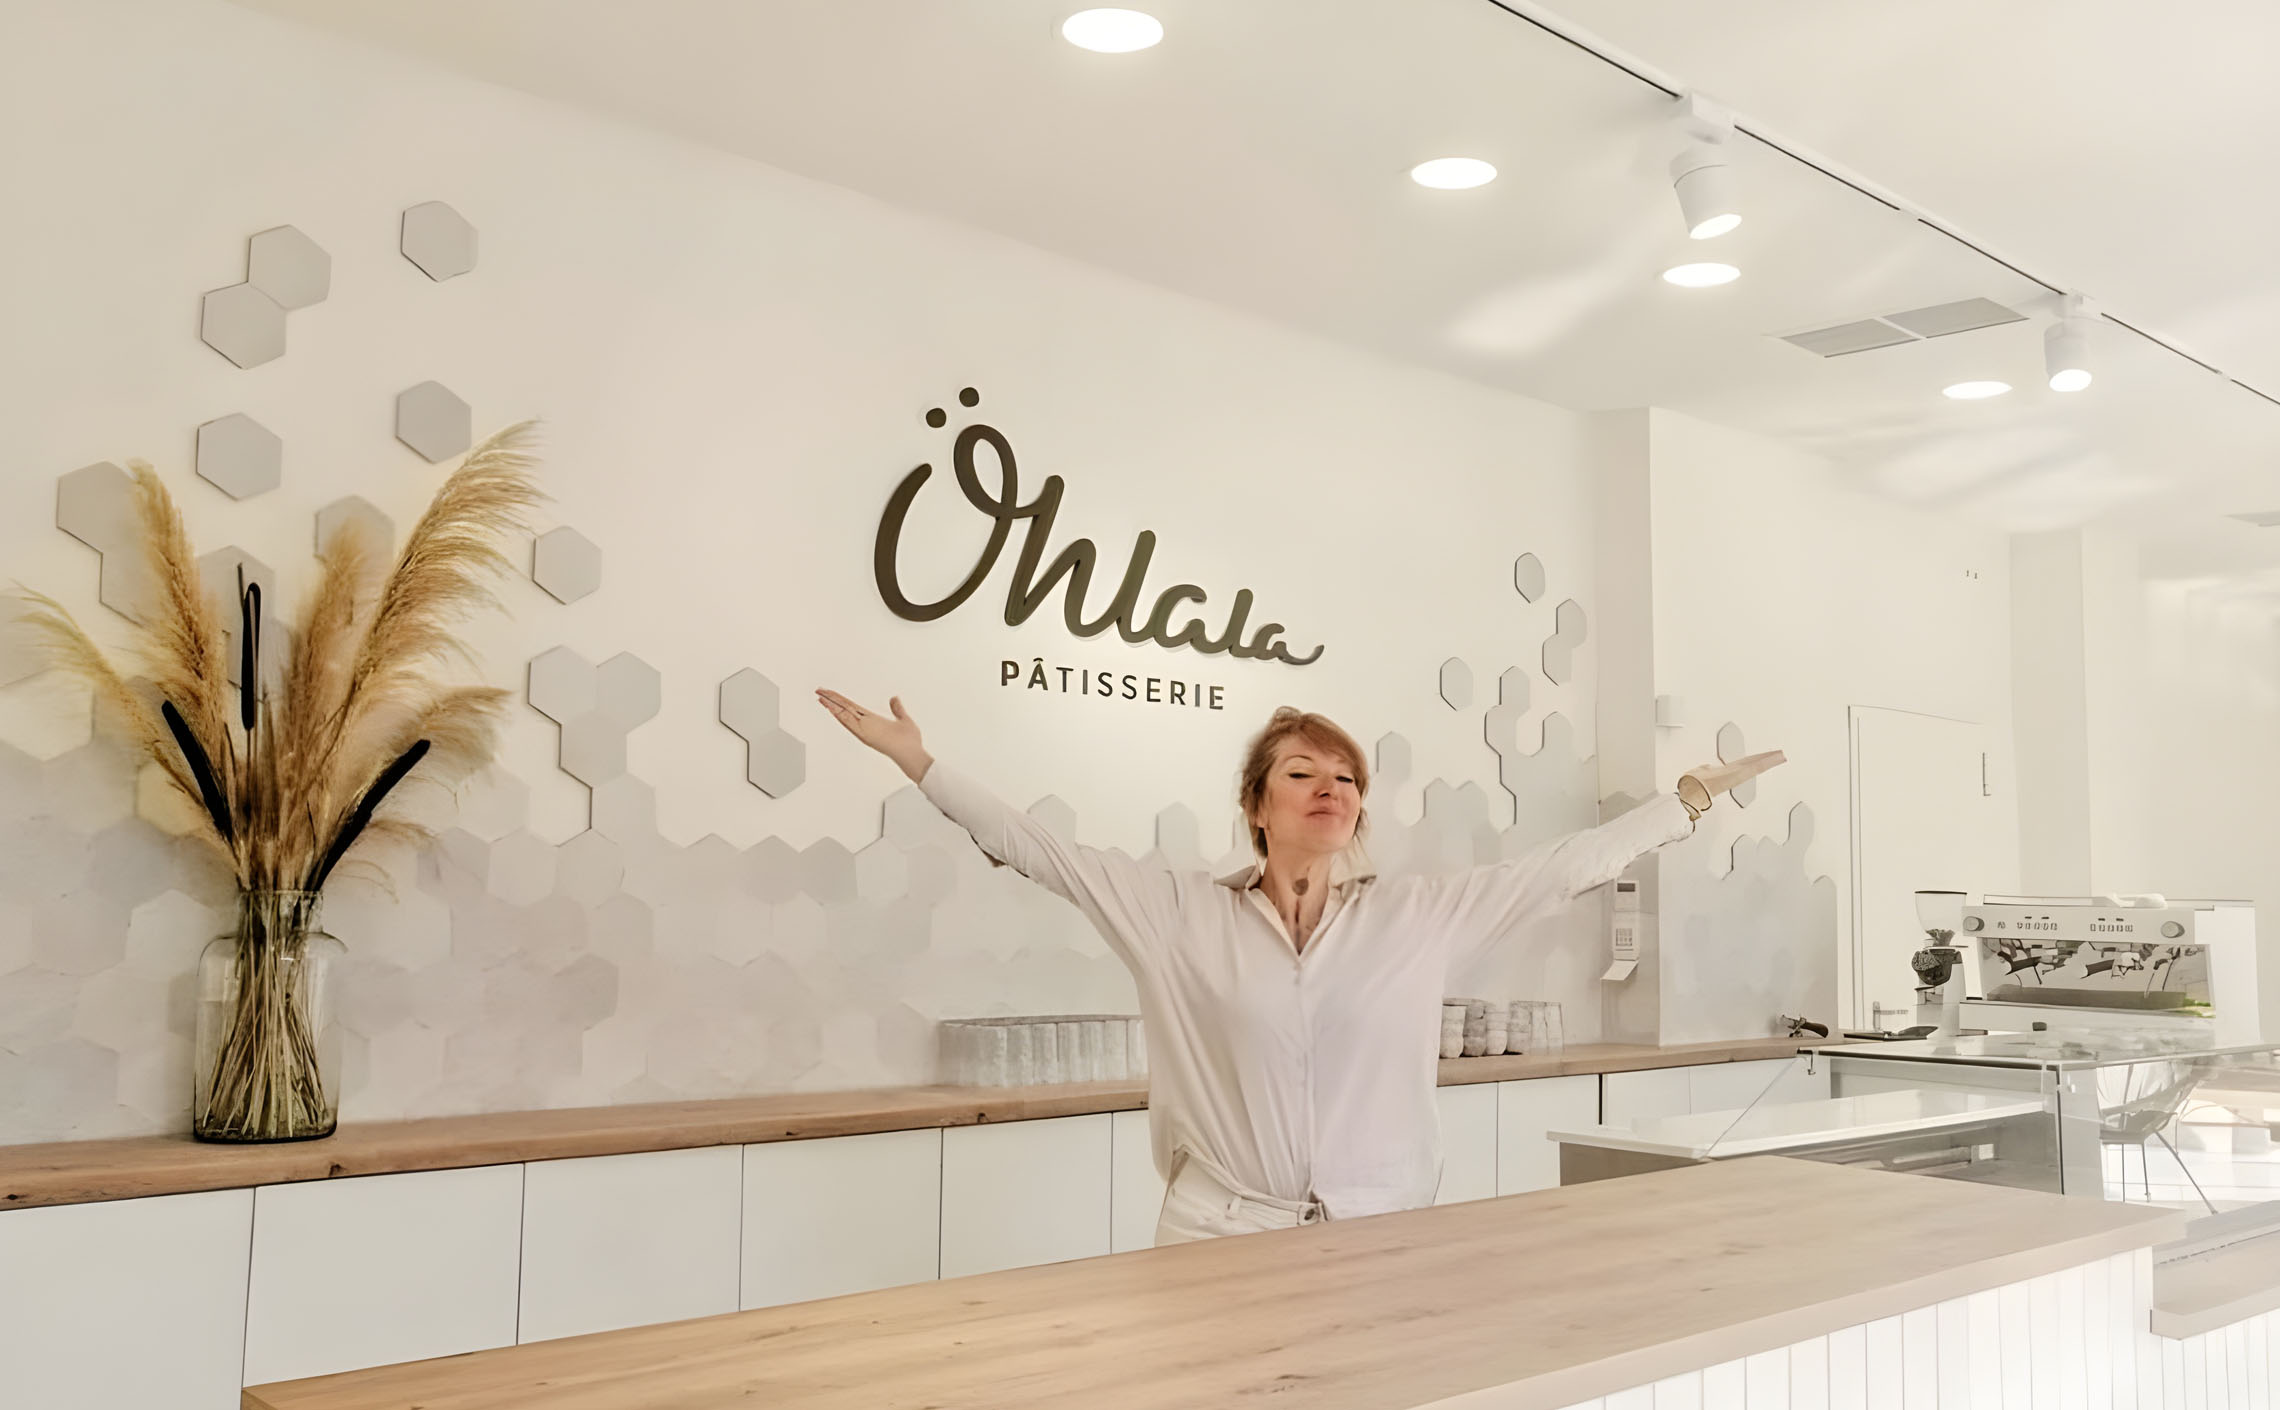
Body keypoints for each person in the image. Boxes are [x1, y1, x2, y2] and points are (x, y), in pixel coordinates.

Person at [815, 688, 1782, 1244]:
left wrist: (1685, 801)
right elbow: (1038, 849)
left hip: (1385, 1230)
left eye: (1347, 778)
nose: (1331, 790)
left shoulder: (1415, 915)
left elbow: (1560, 871)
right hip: (1219, 1231)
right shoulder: (1176, 914)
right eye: (1303, 774)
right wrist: (921, 763)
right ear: (1257, 804)